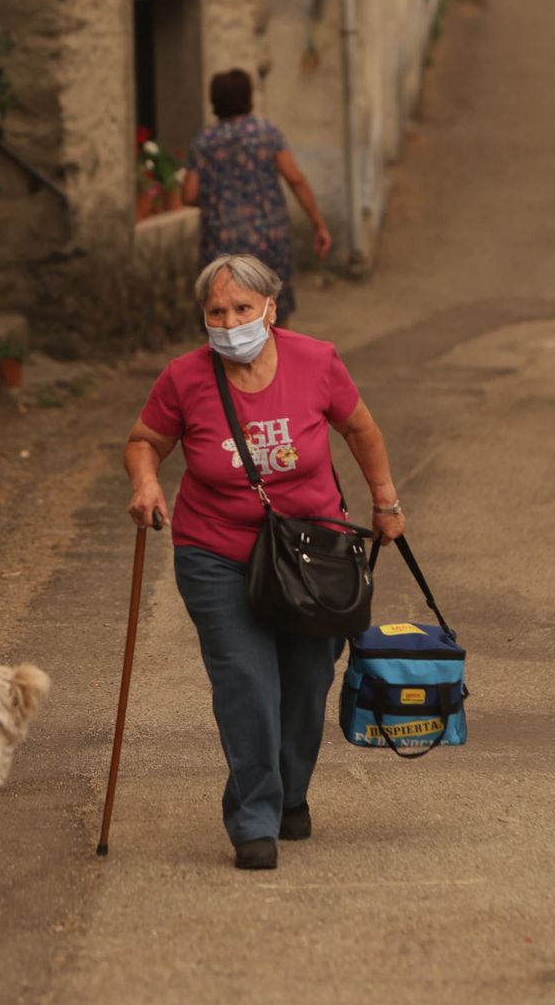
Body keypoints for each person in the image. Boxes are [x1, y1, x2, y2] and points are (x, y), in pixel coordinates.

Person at [123, 253, 403, 870]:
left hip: (314, 552)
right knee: (247, 682)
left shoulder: (316, 361)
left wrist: (386, 500)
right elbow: (145, 442)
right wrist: (146, 483)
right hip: (216, 553)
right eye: (216, 312)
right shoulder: (184, 378)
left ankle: (289, 793)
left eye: (242, 309)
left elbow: (361, 429)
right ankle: (253, 818)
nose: (229, 322)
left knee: (308, 680)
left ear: (271, 309)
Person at [182, 70, 332, 330]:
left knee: (225, 315)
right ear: (248, 97)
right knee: (274, 311)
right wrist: (318, 223)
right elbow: (295, 179)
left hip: (222, 245)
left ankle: (229, 368)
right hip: (268, 240)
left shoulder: (204, 141)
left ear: (215, 102)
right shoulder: (267, 133)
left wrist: (218, 196)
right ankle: (275, 365)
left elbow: (189, 195)